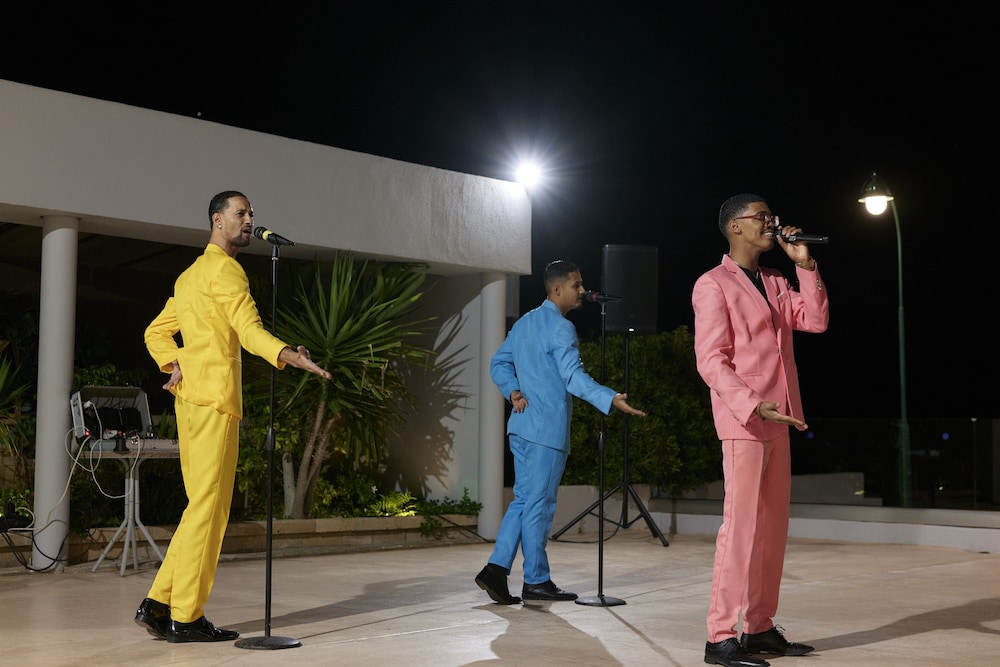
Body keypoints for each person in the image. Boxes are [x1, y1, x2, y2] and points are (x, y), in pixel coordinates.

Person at [133, 191, 332, 643]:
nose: (249, 220)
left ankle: (158, 603)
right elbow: (248, 331)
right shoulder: (226, 271)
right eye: (240, 213)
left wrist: (173, 362)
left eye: (251, 214)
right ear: (217, 220)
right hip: (216, 401)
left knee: (199, 507)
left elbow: (155, 332)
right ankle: (186, 616)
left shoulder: (190, 275)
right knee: (210, 510)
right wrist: (288, 355)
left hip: (190, 401)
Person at [693, 194, 829, 667]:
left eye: (772, 216)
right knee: (741, 528)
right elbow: (711, 360)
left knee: (772, 529)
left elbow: (815, 320)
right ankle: (720, 636)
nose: (771, 223)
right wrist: (752, 404)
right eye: (762, 217)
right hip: (745, 420)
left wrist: (805, 265)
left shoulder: (774, 279)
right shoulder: (712, 284)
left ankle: (759, 626)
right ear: (735, 227)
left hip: (782, 417)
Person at [475, 259, 646, 604]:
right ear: (557, 289)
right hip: (545, 431)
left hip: (521, 428)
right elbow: (573, 377)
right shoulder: (560, 328)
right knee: (538, 505)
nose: (582, 291)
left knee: (525, 501)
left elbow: (499, 362)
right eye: (576, 285)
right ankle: (536, 580)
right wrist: (609, 397)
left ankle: (495, 569)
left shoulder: (524, 322)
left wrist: (512, 390)